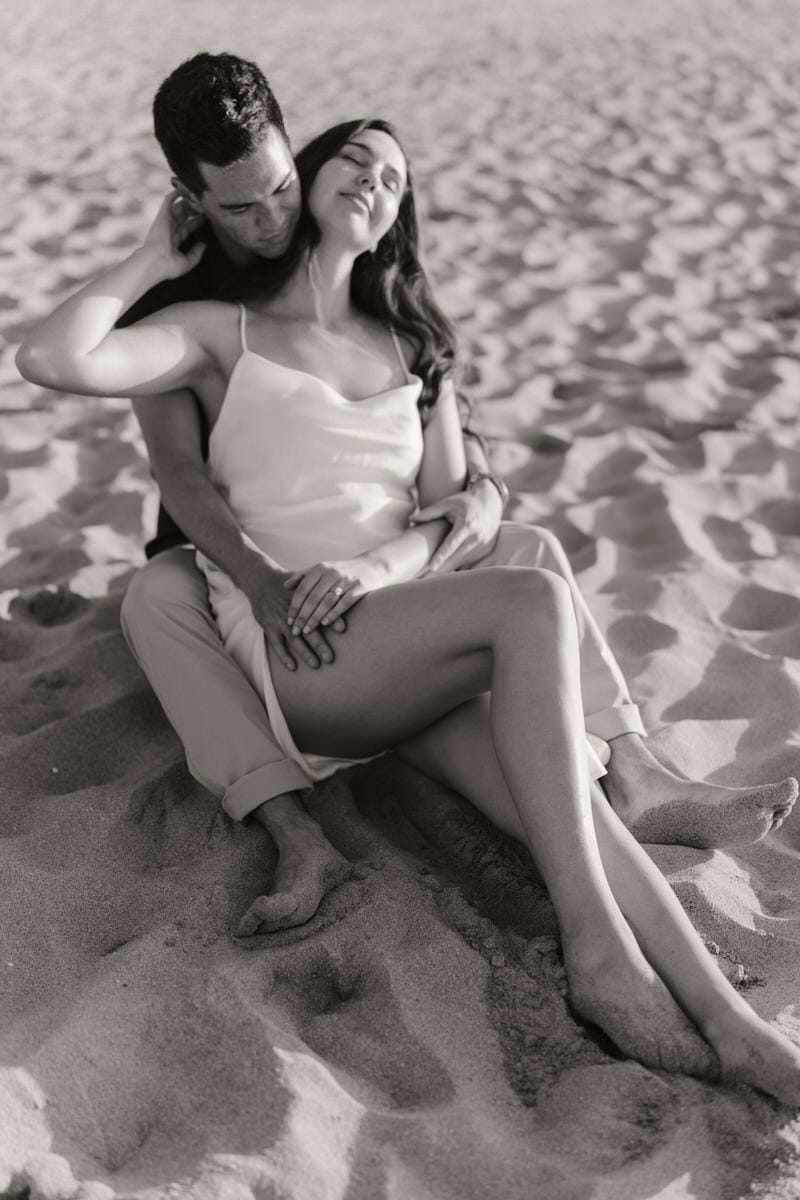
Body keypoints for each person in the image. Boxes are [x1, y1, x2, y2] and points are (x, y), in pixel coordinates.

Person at [16, 116, 800, 1105]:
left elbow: (463, 509)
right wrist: (143, 257)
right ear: (306, 177)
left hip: (403, 647)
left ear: (398, 217)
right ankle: (598, 954)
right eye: (355, 157)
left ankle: (729, 1029)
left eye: (394, 177)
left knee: (562, 811)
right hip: (304, 651)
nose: (375, 180)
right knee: (528, 603)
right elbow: (53, 356)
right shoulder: (224, 329)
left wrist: (398, 556)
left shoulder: (404, 340)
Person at [114, 54, 795, 939]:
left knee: (533, 548)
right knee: (159, 591)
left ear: (293, 155)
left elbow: (430, 421)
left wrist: (477, 489)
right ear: (191, 196)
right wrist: (257, 573)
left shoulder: (381, 303)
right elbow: (169, 459)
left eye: (280, 187)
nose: (269, 218)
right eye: (241, 205)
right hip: (233, 552)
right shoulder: (187, 290)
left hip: (371, 562)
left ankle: (634, 771)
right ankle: (291, 826)